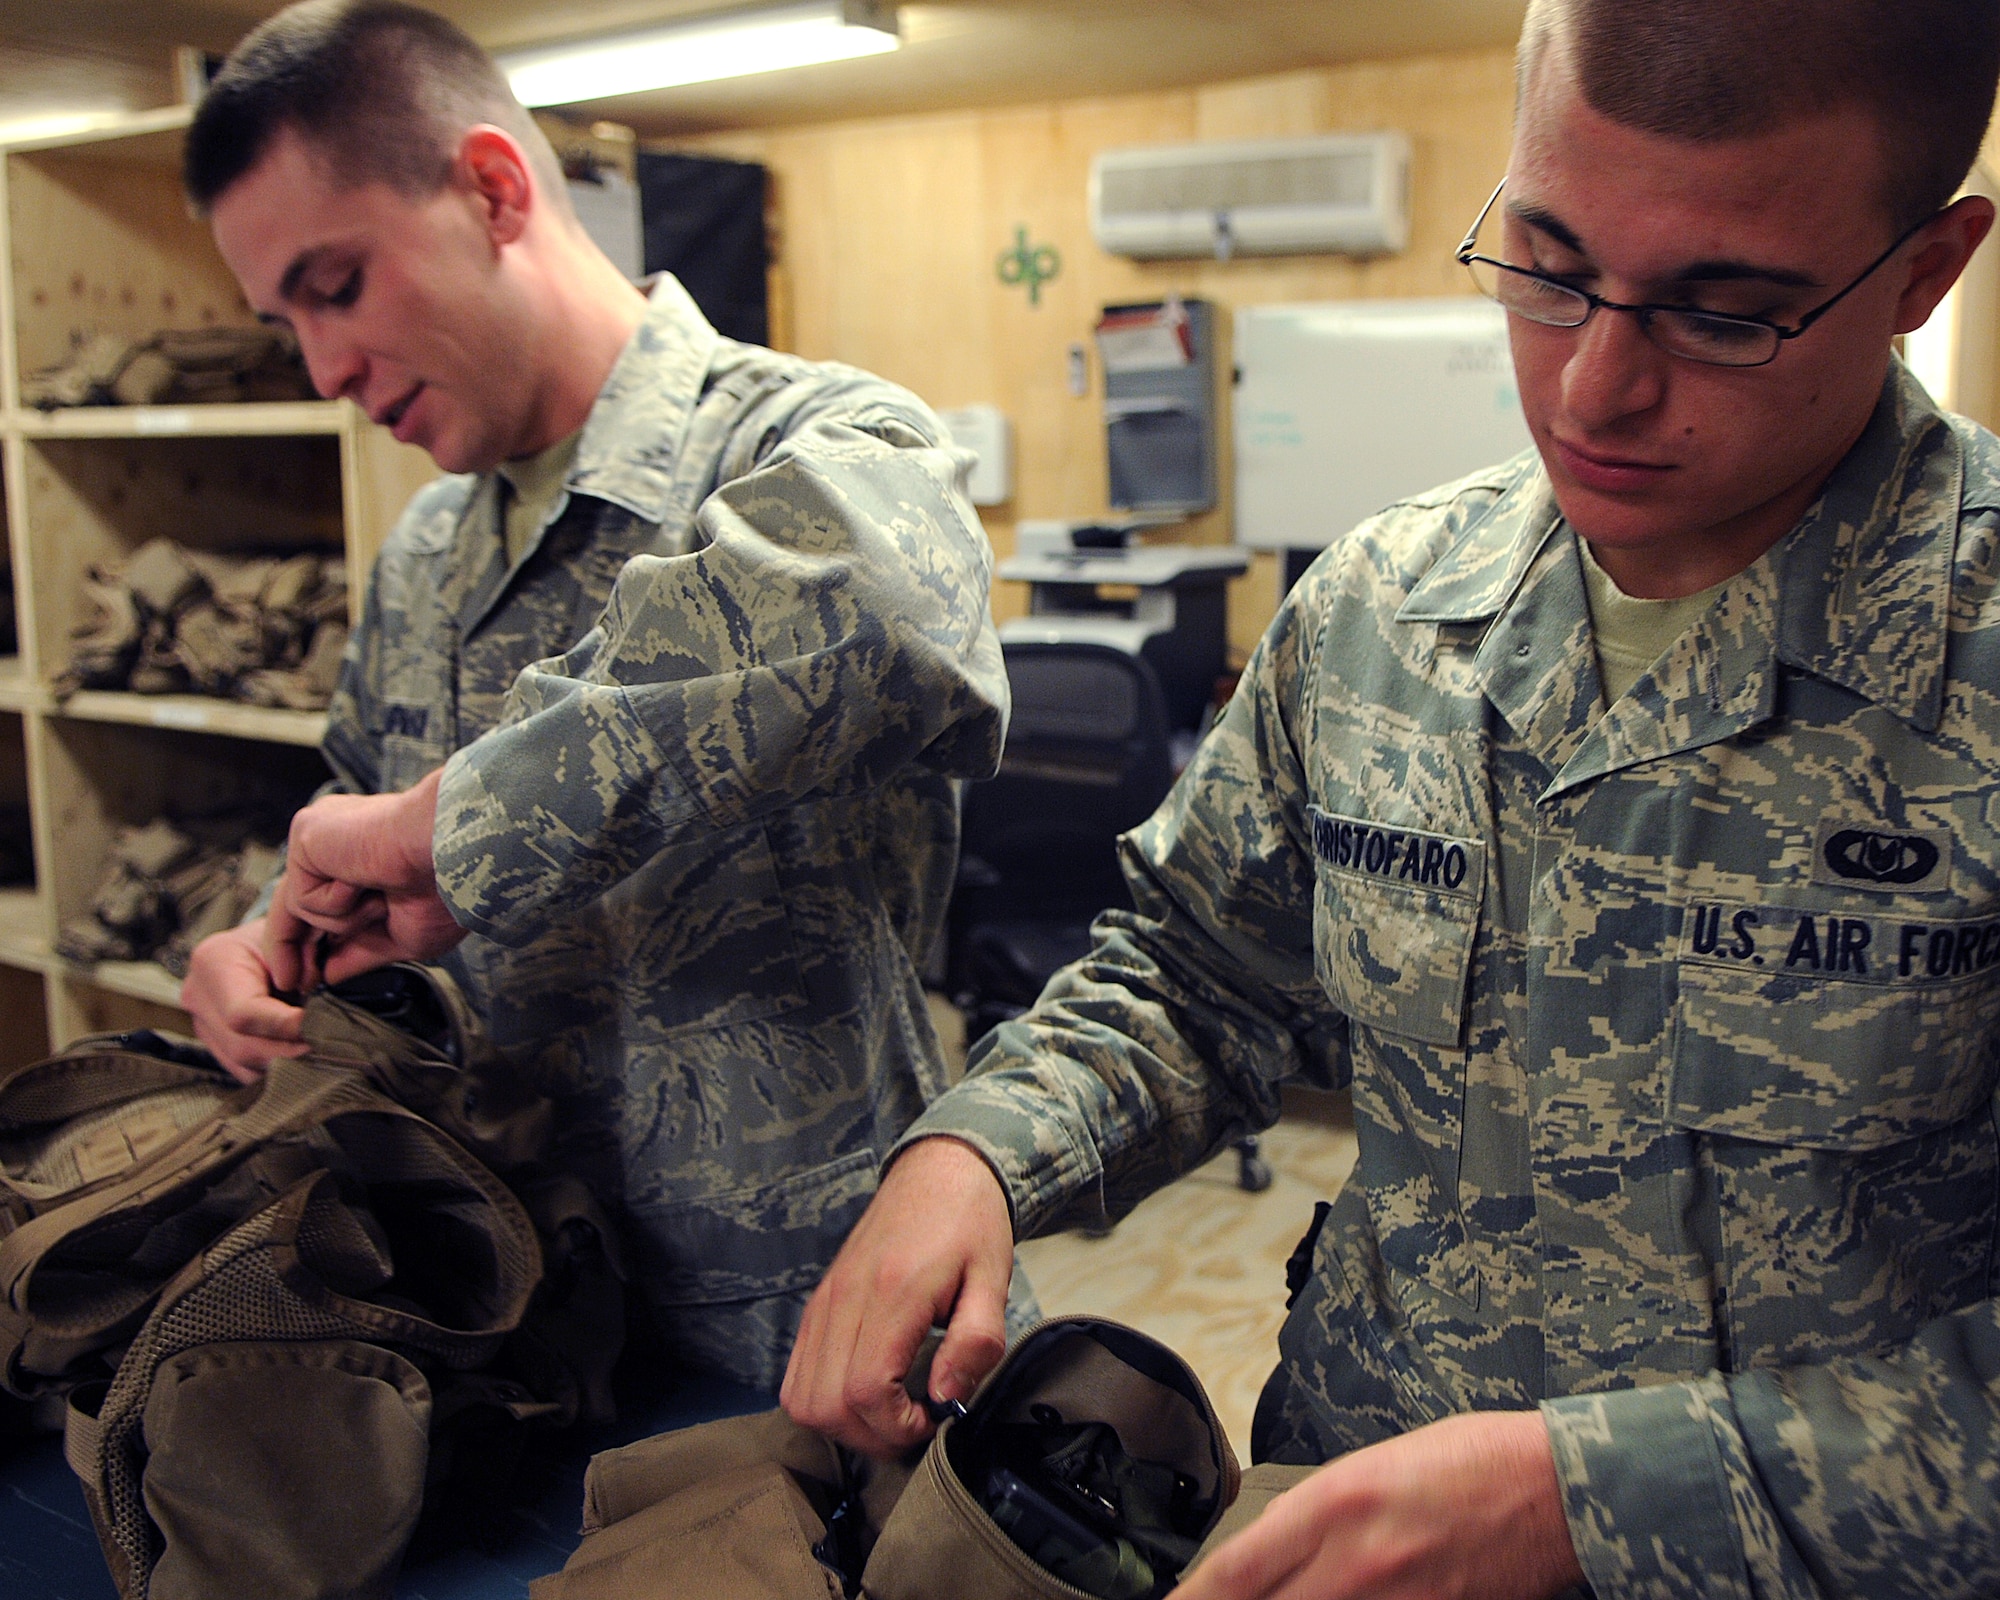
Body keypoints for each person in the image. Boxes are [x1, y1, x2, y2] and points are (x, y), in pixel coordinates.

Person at [782, 0, 2000, 1594]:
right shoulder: (1380, 609)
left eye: (1725, 313)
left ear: (1923, 270)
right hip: (1330, 1504)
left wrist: (1598, 1501)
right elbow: (1196, 970)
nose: (1593, 391)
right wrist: (979, 1151)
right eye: (1549, 268)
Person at [175, 0, 1019, 1393]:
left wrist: (450, 828)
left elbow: (873, 617)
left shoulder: (812, 443)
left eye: (337, 287)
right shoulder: (428, 559)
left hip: (814, 1343)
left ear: (495, 190)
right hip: (506, 1319)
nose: (324, 371)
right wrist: (259, 954)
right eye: (285, 326)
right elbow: (339, 843)